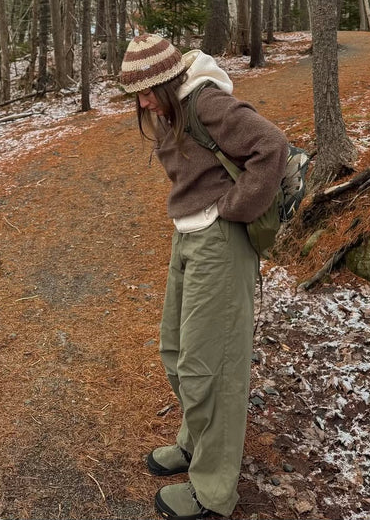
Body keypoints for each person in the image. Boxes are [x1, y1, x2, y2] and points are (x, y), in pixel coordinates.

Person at [119, 33, 288, 520]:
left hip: (219, 241)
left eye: (148, 91)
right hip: (189, 236)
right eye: (137, 94)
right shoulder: (173, 110)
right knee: (176, 351)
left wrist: (233, 208)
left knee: (210, 367)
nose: (143, 102)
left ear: (169, 83)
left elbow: (270, 146)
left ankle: (213, 491)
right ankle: (196, 443)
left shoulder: (207, 102)